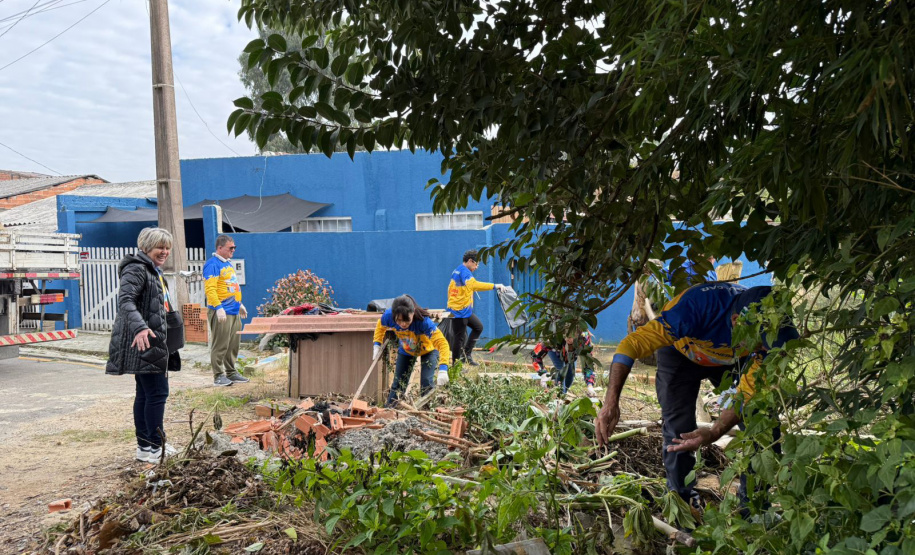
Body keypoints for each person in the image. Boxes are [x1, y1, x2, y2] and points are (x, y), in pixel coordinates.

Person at [595, 283, 798, 506]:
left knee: (763, 423)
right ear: (736, 321)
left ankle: (754, 508)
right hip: (681, 352)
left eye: (770, 342)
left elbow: (749, 395)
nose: (765, 348)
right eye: (761, 341)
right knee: (679, 430)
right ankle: (682, 503)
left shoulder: (772, 344)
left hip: (733, 359)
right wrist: (611, 402)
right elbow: (631, 345)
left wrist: (715, 431)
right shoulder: (693, 310)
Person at [106, 227, 182, 464]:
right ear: (146, 247)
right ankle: (156, 448)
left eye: (167, 247)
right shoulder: (137, 268)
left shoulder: (152, 270)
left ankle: (145, 447)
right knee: (157, 393)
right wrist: (140, 327)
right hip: (145, 339)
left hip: (153, 339)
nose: (165, 252)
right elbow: (125, 301)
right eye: (160, 247)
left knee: (146, 393)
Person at [373, 295, 452, 407]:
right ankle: (390, 409)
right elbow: (380, 326)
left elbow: (442, 343)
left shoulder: (424, 322)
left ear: (413, 313)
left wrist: (443, 368)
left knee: (426, 382)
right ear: (394, 315)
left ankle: (427, 410)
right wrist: (377, 344)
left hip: (428, 350)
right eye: (399, 320)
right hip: (407, 350)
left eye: (407, 320)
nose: (403, 324)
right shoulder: (388, 316)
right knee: (398, 384)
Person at [203, 234, 249, 387]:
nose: (233, 250)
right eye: (231, 248)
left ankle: (231, 372)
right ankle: (218, 375)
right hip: (222, 311)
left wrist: (239, 304)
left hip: (233, 310)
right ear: (220, 248)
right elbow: (210, 289)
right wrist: (218, 308)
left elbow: (231, 286)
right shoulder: (212, 265)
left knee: (233, 344)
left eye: (234, 247)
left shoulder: (228, 264)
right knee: (220, 344)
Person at [446, 250, 506, 366]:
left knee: (478, 327)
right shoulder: (465, 272)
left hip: (464, 309)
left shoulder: (459, 269)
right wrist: (495, 286)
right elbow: (474, 285)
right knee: (459, 338)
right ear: (470, 261)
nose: (477, 267)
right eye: (476, 264)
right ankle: (456, 365)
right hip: (459, 310)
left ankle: (466, 355)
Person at [531, 332, 596, 395]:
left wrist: (590, 385)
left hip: (571, 355)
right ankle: (560, 395)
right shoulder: (553, 338)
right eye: (567, 336)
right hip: (556, 352)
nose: (568, 339)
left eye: (571, 337)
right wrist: (542, 373)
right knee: (561, 371)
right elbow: (535, 355)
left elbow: (588, 363)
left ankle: (563, 393)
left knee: (570, 376)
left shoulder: (584, 339)